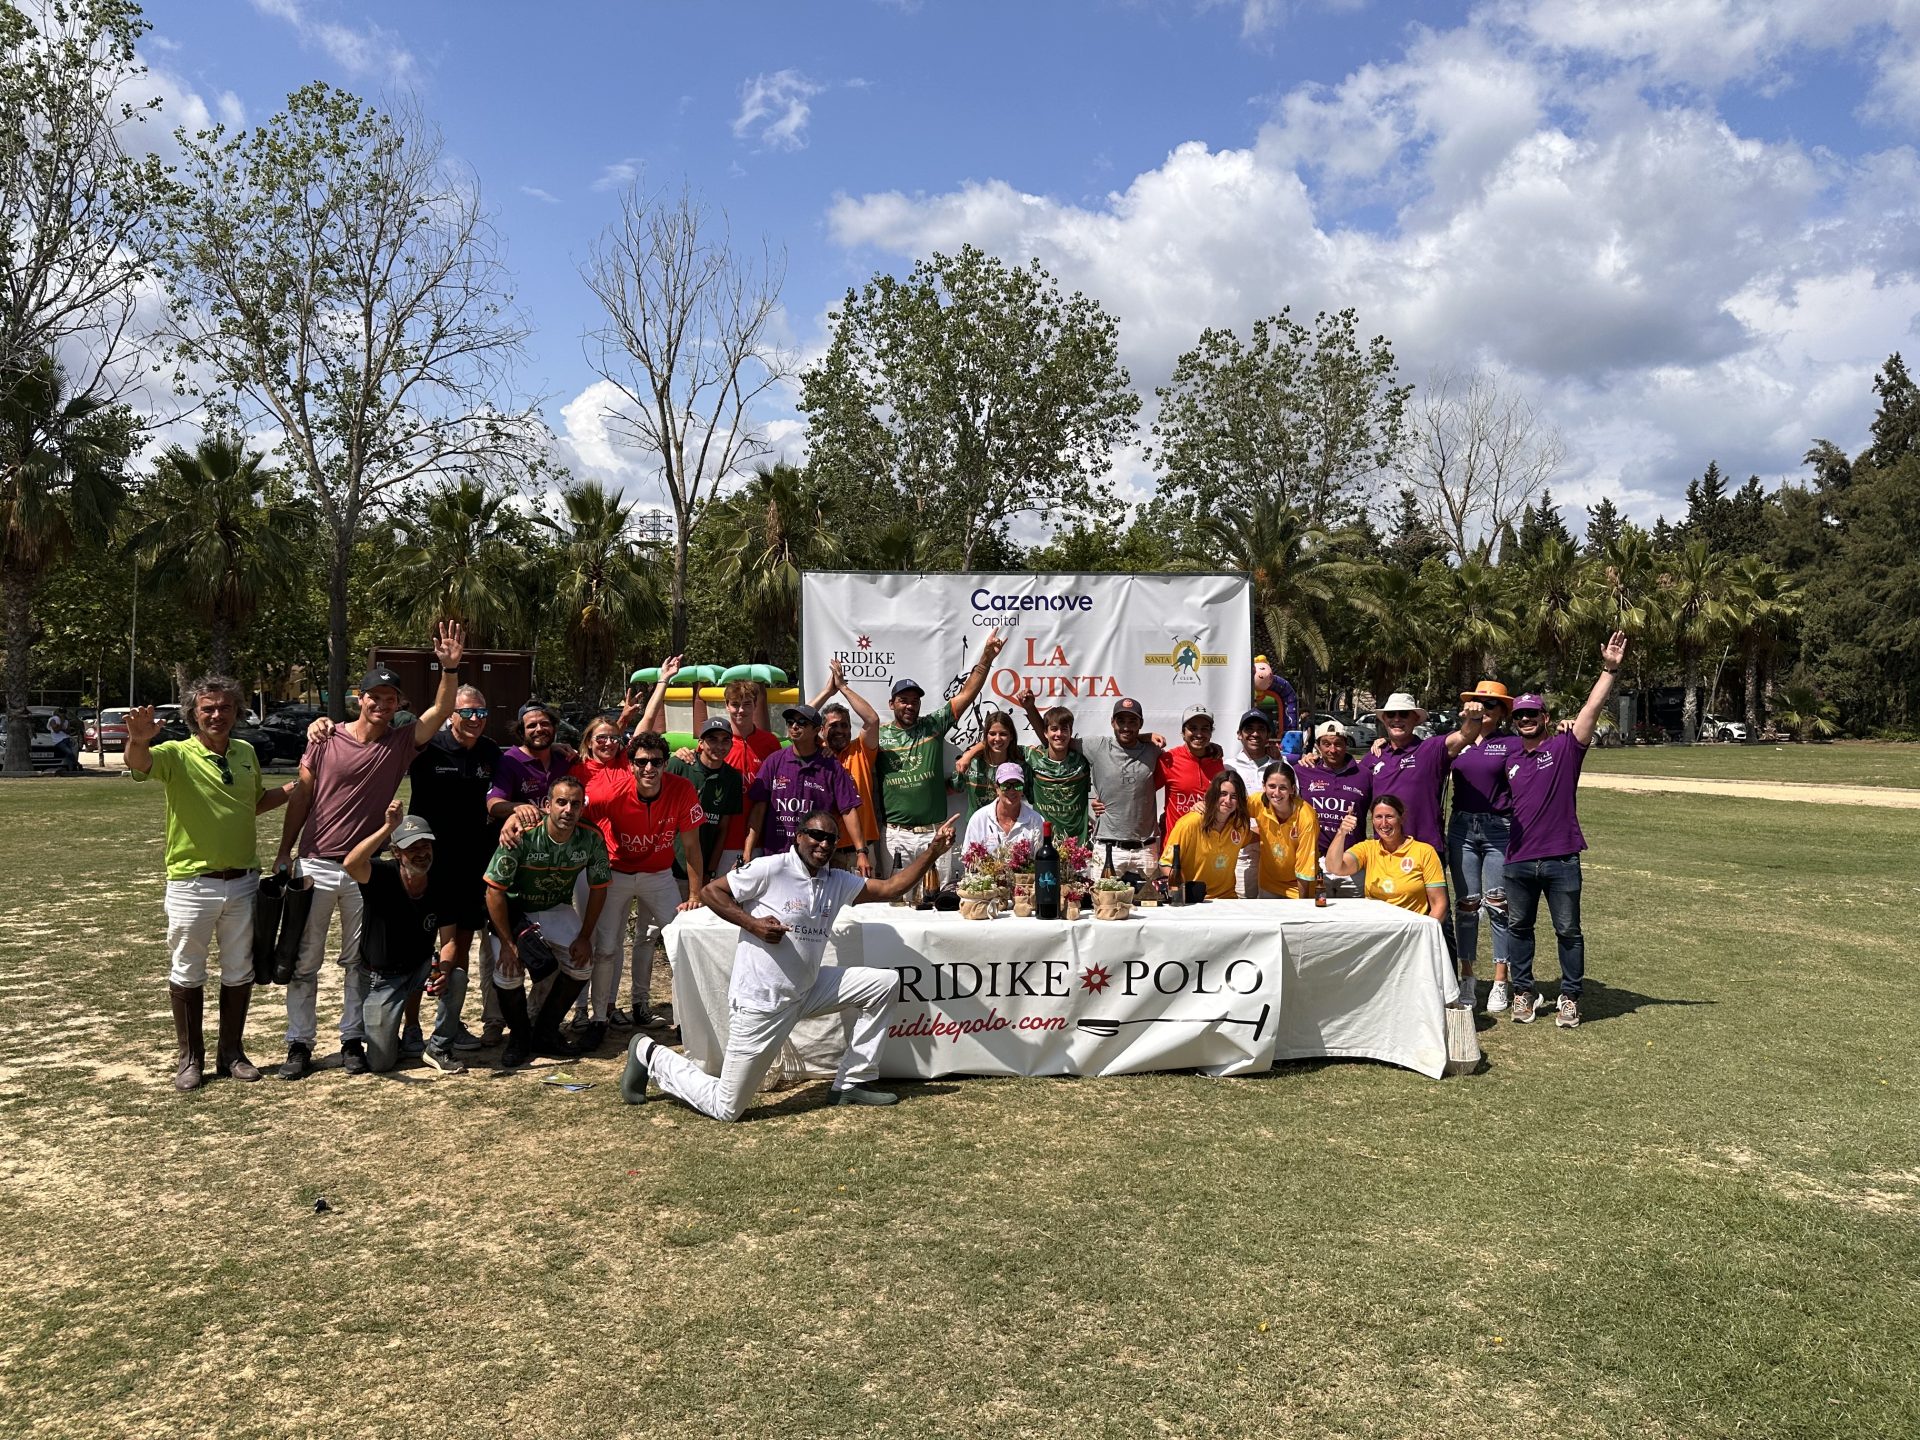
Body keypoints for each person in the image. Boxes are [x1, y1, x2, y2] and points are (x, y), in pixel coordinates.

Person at [618, 811, 957, 1119]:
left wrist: (933, 851)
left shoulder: (837, 880)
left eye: (830, 839)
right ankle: (649, 1054)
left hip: (808, 989)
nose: (823, 844)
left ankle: (851, 1083)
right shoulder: (771, 868)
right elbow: (710, 893)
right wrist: (753, 925)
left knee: (883, 984)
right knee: (726, 1107)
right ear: (799, 836)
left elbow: (892, 888)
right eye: (816, 835)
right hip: (762, 1003)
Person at [272, 624, 464, 1081]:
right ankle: (299, 1043)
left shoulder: (400, 743)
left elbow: (441, 710)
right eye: (374, 697)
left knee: (359, 961)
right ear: (360, 698)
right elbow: (302, 796)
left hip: (366, 870)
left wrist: (449, 668)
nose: (381, 704)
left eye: (390, 699)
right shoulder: (325, 739)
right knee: (305, 959)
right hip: (316, 862)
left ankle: (351, 1039)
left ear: (398, 704)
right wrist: (284, 851)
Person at [125, 680, 293, 1091]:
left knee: (239, 969)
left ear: (237, 712)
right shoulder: (175, 754)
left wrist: (296, 787)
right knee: (187, 969)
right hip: (191, 883)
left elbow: (252, 803)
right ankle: (190, 1058)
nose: (217, 715)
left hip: (243, 881)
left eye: (225, 708)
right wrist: (138, 740)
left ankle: (231, 1053)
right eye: (208, 709)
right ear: (193, 715)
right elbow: (139, 764)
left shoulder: (245, 752)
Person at [1502, 632, 1629, 1029]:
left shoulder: (1565, 747)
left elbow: (1591, 708)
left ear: (1544, 718)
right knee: (1518, 928)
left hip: (1560, 857)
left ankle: (1570, 997)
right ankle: (1524, 992)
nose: (1525, 720)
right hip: (1518, 860)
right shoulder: (1507, 755)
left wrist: (1609, 669)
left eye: (1532, 715)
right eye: (1519, 716)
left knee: (1568, 930)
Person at [574, 724, 705, 1050]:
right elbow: (575, 818)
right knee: (606, 948)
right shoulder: (611, 792)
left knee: (679, 946)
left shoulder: (682, 789)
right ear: (630, 765)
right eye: (642, 762)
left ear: (665, 763)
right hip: (616, 874)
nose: (649, 768)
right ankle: (598, 1018)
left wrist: (694, 895)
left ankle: (684, 1020)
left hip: (659, 875)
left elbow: (692, 847)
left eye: (656, 761)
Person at [402, 684, 499, 1072]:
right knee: (419, 946)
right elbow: (384, 740)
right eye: (468, 712)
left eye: (481, 712)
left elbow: (521, 766)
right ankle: (411, 1028)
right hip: (428, 862)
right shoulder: (428, 747)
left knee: (459, 945)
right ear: (451, 715)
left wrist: (560, 750)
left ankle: (450, 1025)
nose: (475, 719)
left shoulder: (490, 751)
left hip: (471, 863)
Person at [484, 772, 611, 1067]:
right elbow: (494, 891)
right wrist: (507, 943)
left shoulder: (591, 837)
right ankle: (519, 1038)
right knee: (507, 971)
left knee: (582, 964)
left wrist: (585, 936)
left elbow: (599, 888)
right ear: (547, 804)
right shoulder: (522, 833)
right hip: (515, 911)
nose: (568, 810)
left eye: (575, 804)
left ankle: (545, 1031)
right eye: (561, 802)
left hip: (555, 907)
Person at [874, 631, 1006, 880]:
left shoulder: (932, 725)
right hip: (895, 835)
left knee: (938, 897)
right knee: (896, 898)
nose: (910, 705)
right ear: (891, 704)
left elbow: (966, 694)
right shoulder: (878, 736)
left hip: (935, 832)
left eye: (915, 701)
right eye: (903, 700)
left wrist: (986, 659)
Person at [343, 803, 442, 1074]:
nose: (421, 854)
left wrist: (443, 969)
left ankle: (422, 1035)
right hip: (382, 979)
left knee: (455, 976)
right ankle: (389, 1034)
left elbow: (450, 938)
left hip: (419, 967)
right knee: (381, 1063)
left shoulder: (437, 879)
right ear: (396, 852)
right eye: (412, 848)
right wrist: (388, 827)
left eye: (425, 846)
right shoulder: (380, 874)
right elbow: (351, 864)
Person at [1448, 681, 1523, 1013]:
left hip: (1498, 830)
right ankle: (1467, 977)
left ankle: (1500, 980)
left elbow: (1544, 756)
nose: (1483, 709)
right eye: (1478, 703)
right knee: (1467, 906)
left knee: (1498, 904)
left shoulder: (1511, 744)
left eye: (1491, 705)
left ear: (1503, 712)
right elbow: (1424, 754)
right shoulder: (1458, 740)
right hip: (1462, 829)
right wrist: (1380, 743)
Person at [742, 703, 868, 868]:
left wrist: (861, 852)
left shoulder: (831, 765)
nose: (794, 726)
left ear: (817, 730)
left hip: (815, 859)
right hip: (777, 855)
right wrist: (747, 851)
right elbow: (759, 809)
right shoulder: (774, 761)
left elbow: (848, 810)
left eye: (802, 722)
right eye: (790, 722)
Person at [1322, 797, 1449, 926]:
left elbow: (1439, 904)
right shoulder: (1367, 848)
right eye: (1378, 817)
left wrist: (1425, 931)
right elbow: (1334, 867)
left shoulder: (1424, 852)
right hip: (1376, 928)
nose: (1384, 823)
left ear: (1401, 818)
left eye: (1389, 817)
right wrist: (1342, 832)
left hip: (1411, 929)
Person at [811, 659, 883, 873]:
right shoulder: (816, 752)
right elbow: (801, 717)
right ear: (821, 729)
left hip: (862, 852)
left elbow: (872, 719)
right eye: (834, 726)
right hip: (827, 852)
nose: (840, 730)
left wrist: (842, 687)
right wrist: (827, 692)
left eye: (845, 725)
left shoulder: (860, 750)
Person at [1085, 697, 1165, 880]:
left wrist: (1211, 750)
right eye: (1121, 721)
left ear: (1141, 724)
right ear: (1112, 722)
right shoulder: (1098, 746)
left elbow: (1186, 756)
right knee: (1103, 898)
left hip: (1146, 849)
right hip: (1108, 848)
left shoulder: (1153, 750)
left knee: (1152, 900)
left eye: (1132, 721)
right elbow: (1058, 741)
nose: (1126, 727)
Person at [668, 715, 745, 900]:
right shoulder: (679, 765)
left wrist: (710, 870)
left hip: (700, 867)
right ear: (701, 743)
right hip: (668, 867)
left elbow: (722, 828)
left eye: (725, 740)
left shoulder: (732, 778)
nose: (719, 746)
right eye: (712, 739)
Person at [1296, 719, 1372, 896]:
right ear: (1317, 746)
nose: (1332, 750)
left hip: (1351, 861)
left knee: (1357, 913)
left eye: (1338, 744)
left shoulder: (1364, 775)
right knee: (1318, 911)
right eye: (1326, 744)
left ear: (1346, 744)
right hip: (1315, 861)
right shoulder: (1302, 771)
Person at [1161, 769, 1256, 900]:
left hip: (1228, 899)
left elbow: (1255, 836)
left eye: (1234, 796)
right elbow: (1165, 864)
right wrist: (1182, 892)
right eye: (1223, 794)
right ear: (1213, 794)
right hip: (1196, 900)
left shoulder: (1239, 825)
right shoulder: (1190, 823)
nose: (1228, 800)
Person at [1014, 693, 1093, 843]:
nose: (1059, 734)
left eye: (1064, 729)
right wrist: (969, 755)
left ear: (1071, 732)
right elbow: (1001, 745)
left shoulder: (1083, 760)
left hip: (1077, 846)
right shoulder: (1033, 756)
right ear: (1045, 732)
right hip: (1043, 843)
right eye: (1054, 729)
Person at [1156, 705, 1224, 849]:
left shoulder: (1217, 761)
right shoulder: (1169, 759)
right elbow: (1141, 791)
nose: (1199, 734)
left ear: (1211, 733)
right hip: (1175, 847)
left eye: (1204, 729)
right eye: (1193, 728)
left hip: (1208, 847)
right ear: (1183, 733)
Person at [1248, 761, 1319, 900]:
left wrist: (1302, 904)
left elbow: (1305, 865)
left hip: (1298, 886)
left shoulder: (1306, 817)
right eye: (1272, 786)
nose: (1276, 793)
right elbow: (1232, 811)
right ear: (1264, 786)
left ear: (1292, 789)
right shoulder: (1257, 802)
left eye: (1283, 788)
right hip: (1268, 882)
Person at [951, 708, 1032, 822]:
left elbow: (1032, 797)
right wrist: (963, 764)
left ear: (1011, 736)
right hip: (977, 826)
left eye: (1003, 734)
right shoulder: (972, 762)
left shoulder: (1020, 766)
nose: (997, 739)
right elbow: (957, 787)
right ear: (986, 736)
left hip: (1009, 826)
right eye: (992, 734)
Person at [1226, 708, 1275, 894]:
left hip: (1275, 853)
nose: (1255, 734)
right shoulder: (1227, 766)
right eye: (1249, 729)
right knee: (1243, 908)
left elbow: (1293, 809)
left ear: (1268, 735)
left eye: (1261, 729)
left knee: (1274, 908)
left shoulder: (1281, 767)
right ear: (1239, 734)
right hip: (1241, 852)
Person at [961, 763, 1046, 854]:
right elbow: (969, 857)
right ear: (997, 788)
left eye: (1017, 786)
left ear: (1023, 789)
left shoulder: (1037, 821)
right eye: (1006, 786)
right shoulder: (979, 819)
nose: (1012, 791)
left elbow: (1041, 859)